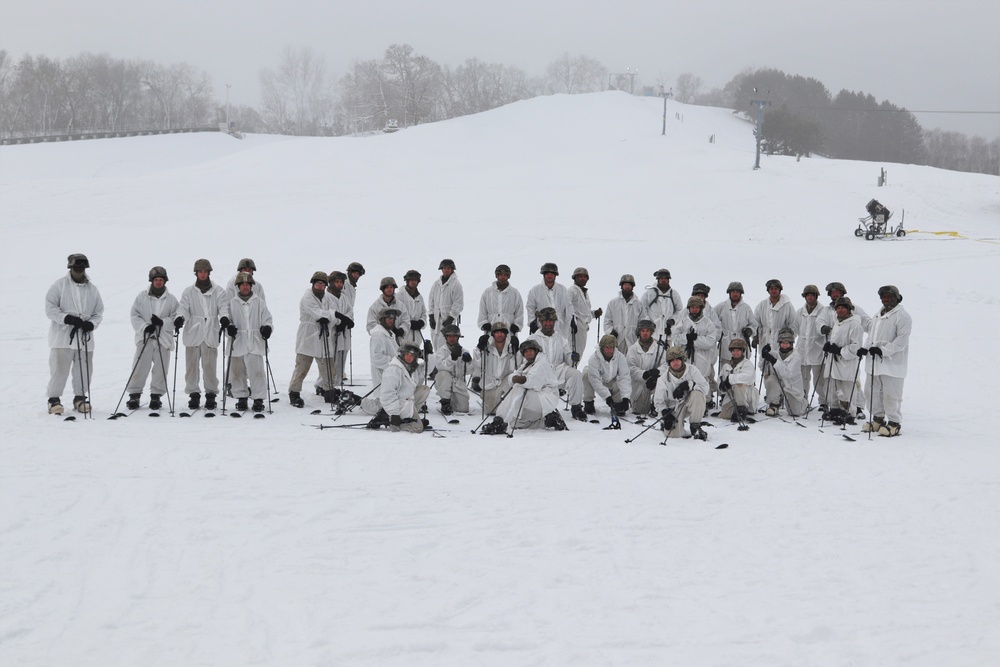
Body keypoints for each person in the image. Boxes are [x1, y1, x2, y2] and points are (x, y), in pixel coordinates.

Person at [45, 253, 104, 415]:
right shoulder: (59, 286)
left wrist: (91, 323)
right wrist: (67, 318)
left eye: (82, 267)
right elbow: (50, 308)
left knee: (84, 368)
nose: (80, 269)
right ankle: (54, 399)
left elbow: (99, 311)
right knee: (59, 368)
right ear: (70, 267)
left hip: (84, 337)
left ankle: (80, 397)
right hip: (63, 336)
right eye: (77, 266)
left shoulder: (92, 289)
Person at [175, 258, 229, 411]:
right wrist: (180, 318)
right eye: (200, 272)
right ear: (196, 273)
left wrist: (224, 317)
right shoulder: (189, 291)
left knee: (209, 365)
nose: (203, 274)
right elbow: (183, 308)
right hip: (194, 331)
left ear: (209, 273)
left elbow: (223, 306)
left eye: (205, 271)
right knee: (191, 366)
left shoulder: (218, 291)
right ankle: (193, 394)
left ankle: (211, 394)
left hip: (210, 331)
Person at [126, 266, 180, 411]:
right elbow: (134, 315)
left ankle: (156, 396)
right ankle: (134, 395)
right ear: (151, 281)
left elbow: (176, 317)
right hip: (145, 338)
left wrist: (163, 323)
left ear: (165, 281)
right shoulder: (141, 297)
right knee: (140, 366)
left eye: (161, 280)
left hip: (163, 339)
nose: (158, 282)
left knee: (161, 369)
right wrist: (145, 327)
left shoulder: (172, 300)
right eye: (156, 280)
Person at [483, 339, 565, 434]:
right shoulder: (527, 365)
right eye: (525, 352)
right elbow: (513, 377)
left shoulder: (542, 364)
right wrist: (515, 378)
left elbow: (533, 382)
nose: (528, 353)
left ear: (536, 351)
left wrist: (522, 380)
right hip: (535, 399)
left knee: (519, 388)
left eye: (530, 350)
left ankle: (499, 421)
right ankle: (547, 422)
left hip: (546, 398)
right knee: (513, 423)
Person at [861, 285, 911, 437]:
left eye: (890, 296)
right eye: (884, 297)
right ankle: (878, 418)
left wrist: (883, 350)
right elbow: (872, 336)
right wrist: (865, 347)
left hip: (892, 364)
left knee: (890, 394)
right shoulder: (878, 315)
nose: (886, 299)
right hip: (874, 362)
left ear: (897, 297)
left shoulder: (902, 316)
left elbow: (901, 342)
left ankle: (894, 423)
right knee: (871, 392)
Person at [288, 271, 340, 409]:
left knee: (328, 366)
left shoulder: (329, 298)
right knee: (302, 367)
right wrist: (327, 315)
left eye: (323, 283)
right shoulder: (307, 298)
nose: (320, 285)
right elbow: (317, 313)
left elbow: (333, 314)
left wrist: (329, 317)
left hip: (324, 334)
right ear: (313, 283)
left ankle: (329, 391)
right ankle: (294, 393)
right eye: (317, 283)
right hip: (308, 336)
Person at [225, 271, 273, 413]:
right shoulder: (232, 303)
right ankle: (241, 398)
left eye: (247, 284)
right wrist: (229, 328)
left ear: (251, 286)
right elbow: (225, 318)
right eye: (242, 285)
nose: (245, 287)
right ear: (238, 286)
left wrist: (267, 328)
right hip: (237, 342)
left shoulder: (259, 302)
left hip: (255, 341)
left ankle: (258, 399)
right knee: (237, 372)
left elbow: (267, 318)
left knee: (257, 372)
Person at [528, 307, 587, 421]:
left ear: (554, 322)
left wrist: (572, 357)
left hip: (559, 370)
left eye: (551, 321)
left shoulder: (561, 338)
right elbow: (527, 360)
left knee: (576, 374)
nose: (548, 323)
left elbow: (568, 356)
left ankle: (576, 407)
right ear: (541, 322)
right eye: (545, 321)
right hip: (542, 373)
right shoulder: (532, 339)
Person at [363, 343, 431, 433]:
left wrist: (430, 354)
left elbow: (427, 370)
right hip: (399, 404)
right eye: (407, 354)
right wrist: (394, 414)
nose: (409, 358)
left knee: (424, 389)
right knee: (417, 428)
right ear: (402, 354)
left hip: (407, 400)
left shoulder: (411, 368)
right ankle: (394, 420)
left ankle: (411, 418)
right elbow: (387, 394)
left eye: (412, 355)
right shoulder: (393, 370)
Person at [821, 296, 865, 425]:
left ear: (849, 309)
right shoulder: (837, 323)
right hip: (834, 362)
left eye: (843, 308)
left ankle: (849, 414)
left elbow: (855, 347)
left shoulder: (854, 324)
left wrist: (839, 351)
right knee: (832, 386)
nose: (840, 310)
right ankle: (835, 410)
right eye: (838, 308)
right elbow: (836, 341)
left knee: (846, 389)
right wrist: (829, 346)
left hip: (846, 363)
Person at [225, 258, 266, 397]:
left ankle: (256, 393)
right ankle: (231, 384)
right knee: (237, 361)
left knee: (254, 362)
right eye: (244, 270)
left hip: (253, 327)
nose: (247, 272)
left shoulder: (257, 286)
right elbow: (228, 305)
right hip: (238, 326)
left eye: (250, 270)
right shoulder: (232, 284)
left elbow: (262, 305)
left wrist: (264, 327)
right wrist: (229, 325)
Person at [670, 296, 720, 404]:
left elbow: (711, 341)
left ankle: (704, 403)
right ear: (689, 308)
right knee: (685, 378)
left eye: (697, 307)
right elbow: (675, 338)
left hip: (702, 357)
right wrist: (686, 338)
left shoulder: (708, 323)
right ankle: (685, 403)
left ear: (701, 308)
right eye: (692, 307)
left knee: (702, 379)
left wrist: (695, 340)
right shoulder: (683, 321)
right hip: (686, 356)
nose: (694, 309)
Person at [654, 346, 709, 440]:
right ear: (668, 362)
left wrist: (688, 385)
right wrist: (665, 413)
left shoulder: (692, 370)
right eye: (672, 360)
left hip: (689, 402)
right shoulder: (662, 379)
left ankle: (695, 426)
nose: (675, 363)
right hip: (673, 408)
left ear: (682, 359)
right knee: (673, 434)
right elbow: (658, 401)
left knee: (698, 395)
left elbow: (705, 388)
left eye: (678, 359)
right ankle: (666, 424)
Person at [796, 284, 834, 408]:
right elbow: (795, 328)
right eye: (808, 295)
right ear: (805, 297)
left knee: (819, 380)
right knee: (803, 379)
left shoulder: (823, 311)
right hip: (802, 349)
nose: (810, 297)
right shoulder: (800, 312)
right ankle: (803, 400)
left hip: (817, 349)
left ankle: (823, 402)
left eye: (812, 295)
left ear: (816, 296)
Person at [472, 321, 518, 415]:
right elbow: (478, 364)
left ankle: (507, 402)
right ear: (493, 334)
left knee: (513, 379)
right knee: (491, 411)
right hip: (489, 383)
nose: (499, 334)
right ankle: (490, 398)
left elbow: (515, 367)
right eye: (497, 332)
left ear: (506, 334)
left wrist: (516, 351)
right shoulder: (486, 348)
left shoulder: (510, 348)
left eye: (502, 332)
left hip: (505, 382)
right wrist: (479, 347)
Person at [321, 270, 355, 393]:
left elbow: (350, 311)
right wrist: (340, 321)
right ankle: (322, 385)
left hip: (344, 333)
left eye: (341, 282)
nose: (339, 284)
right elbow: (329, 313)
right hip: (332, 332)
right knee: (330, 360)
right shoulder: (326, 297)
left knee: (342, 357)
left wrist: (348, 320)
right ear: (331, 282)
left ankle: (337, 383)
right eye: (337, 282)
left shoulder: (344, 297)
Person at [477, 264, 524, 353]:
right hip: (491, 328)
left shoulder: (514, 293)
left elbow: (519, 311)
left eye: (505, 275)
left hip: (509, 328)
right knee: (491, 351)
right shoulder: (488, 292)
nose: (503, 277)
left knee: (508, 352)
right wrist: (484, 324)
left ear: (508, 276)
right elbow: (482, 310)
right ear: (497, 276)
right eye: (501, 275)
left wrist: (517, 325)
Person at [760, 328, 806, 417]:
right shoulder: (775, 354)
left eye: (787, 343)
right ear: (779, 343)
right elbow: (763, 368)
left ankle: (803, 402)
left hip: (792, 386)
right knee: (770, 379)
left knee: (795, 412)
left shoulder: (796, 357)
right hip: (779, 383)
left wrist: (774, 361)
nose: (785, 345)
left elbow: (787, 373)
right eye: (782, 343)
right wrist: (764, 353)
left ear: (791, 344)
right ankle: (774, 404)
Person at [582, 334, 632, 417]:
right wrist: (607, 396)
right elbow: (595, 379)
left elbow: (624, 377)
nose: (609, 351)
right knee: (586, 375)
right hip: (599, 380)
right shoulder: (594, 359)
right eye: (607, 348)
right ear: (602, 347)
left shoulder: (620, 357)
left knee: (620, 382)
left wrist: (625, 397)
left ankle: (617, 402)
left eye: (611, 348)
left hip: (613, 380)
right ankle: (588, 402)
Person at [526, 262, 574, 342]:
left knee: (559, 349)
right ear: (544, 275)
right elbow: (530, 307)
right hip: (542, 326)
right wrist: (532, 322)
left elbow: (569, 307)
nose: (550, 276)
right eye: (547, 273)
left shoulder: (563, 290)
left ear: (555, 275)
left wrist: (572, 321)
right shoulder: (535, 290)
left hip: (560, 326)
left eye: (552, 273)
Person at [714, 281, 759, 365]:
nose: (735, 294)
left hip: (742, 342)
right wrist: (718, 333)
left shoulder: (746, 308)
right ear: (729, 293)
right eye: (733, 292)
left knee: (742, 371)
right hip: (725, 345)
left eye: (737, 292)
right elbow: (712, 322)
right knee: (725, 372)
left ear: (741, 293)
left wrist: (750, 330)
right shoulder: (721, 307)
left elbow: (754, 325)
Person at [626, 319, 663, 417]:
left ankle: (657, 406)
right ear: (639, 332)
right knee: (640, 410)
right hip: (639, 384)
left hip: (656, 382)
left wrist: (657, 373)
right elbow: (630, 367)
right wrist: (644, 374)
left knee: (662, 387)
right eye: (643, 331)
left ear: (651, 332)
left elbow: (666, 365)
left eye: (647, 331)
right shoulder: (632, 349)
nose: (645, 333)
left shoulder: (660, 348)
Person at [604, 274, 649, 353]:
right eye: (625, 284)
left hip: (633, 340)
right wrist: (610, 332)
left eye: (629, 285)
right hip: (617, 340)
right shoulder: (613, 303)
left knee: (632, 362)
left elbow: (643, 321)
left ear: (632, 286)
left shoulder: (638, 304)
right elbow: (607, 321)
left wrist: (639, 332)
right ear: (621, 286)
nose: (627, 287)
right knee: (616, 362)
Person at [434, 325, 473, 415]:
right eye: (449, 336)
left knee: (463, 409)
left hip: (458, 383)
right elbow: (440, 366)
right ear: (446, 337)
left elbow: (469, 371)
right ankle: (445, 401)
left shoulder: (464, 351)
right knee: (444, 374)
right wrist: (452, 358)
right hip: (445, 382)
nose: (452, 338)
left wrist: (469, 362)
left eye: (454, 336)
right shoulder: (441, 351)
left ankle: (452, 400)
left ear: (458, 337)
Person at [718, 338, 759, 423]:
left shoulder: (747, 364)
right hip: (732, 395)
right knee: (725, 415)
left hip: (746, 395)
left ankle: (741, 409)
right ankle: (735, 409)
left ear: (742, 351)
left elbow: (748, 377)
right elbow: (720, 379)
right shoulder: (726, 366)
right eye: (733, 350)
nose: (735, 353)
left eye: (738, 350)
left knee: (739, 385)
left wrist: (730, 379)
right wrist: (722, 387)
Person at [428, 258, 464, 350]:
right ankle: (437, 363)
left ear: (452, 269)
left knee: (448, 346)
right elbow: (431, 300)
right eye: (444, 268)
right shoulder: (436, 284)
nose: (446, 270)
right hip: (436, 321)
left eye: (448, 268)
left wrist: (451, 318)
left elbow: (458, 303)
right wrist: (431, 316)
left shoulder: (456, 284)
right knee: (436, 345)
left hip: (448, 320)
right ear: (441, 269)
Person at [568, 267, 601, 366]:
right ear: (575, 278)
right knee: (573, 353)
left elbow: (584, 312)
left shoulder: (584, 292)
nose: (582, 278)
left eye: (584, 277)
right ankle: (570, 374)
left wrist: (594, 314)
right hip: (575, 326)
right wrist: (571, 320)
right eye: (580, 276)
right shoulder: (572, 290)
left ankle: (573, 371)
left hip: (583, 327)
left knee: (579, 354)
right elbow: (566, 307)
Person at [641, 268, 684, 337]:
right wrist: (648, 322)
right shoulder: (649, 294)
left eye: (665, 278)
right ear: (658, 280)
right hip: (652, 334)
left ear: (668, 280)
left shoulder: (674, 294)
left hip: (668, 333)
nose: (663, 280)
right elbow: (642, 308)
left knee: (668, 348)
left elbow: (679, 310)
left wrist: (672, 321)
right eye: (661, 278)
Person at [369, 307, 401, 388]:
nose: (392, 321)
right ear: (382, 319)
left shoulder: (390, 334)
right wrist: (397, 363)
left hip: (392, 379)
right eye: (389, 318)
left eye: (393, 318)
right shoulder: (378, 335)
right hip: (383, 382)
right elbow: (377, 358)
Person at [397, 269, 429, 349]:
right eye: (411, 280)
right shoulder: (400, 295)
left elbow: (424, 313)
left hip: (417, 336)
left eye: (415, 280)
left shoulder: (419, 297)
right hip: (404, 334)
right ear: (407, 281)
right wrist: (409, 323)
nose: (413, 282)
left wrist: (422, 322)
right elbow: (398, 314)